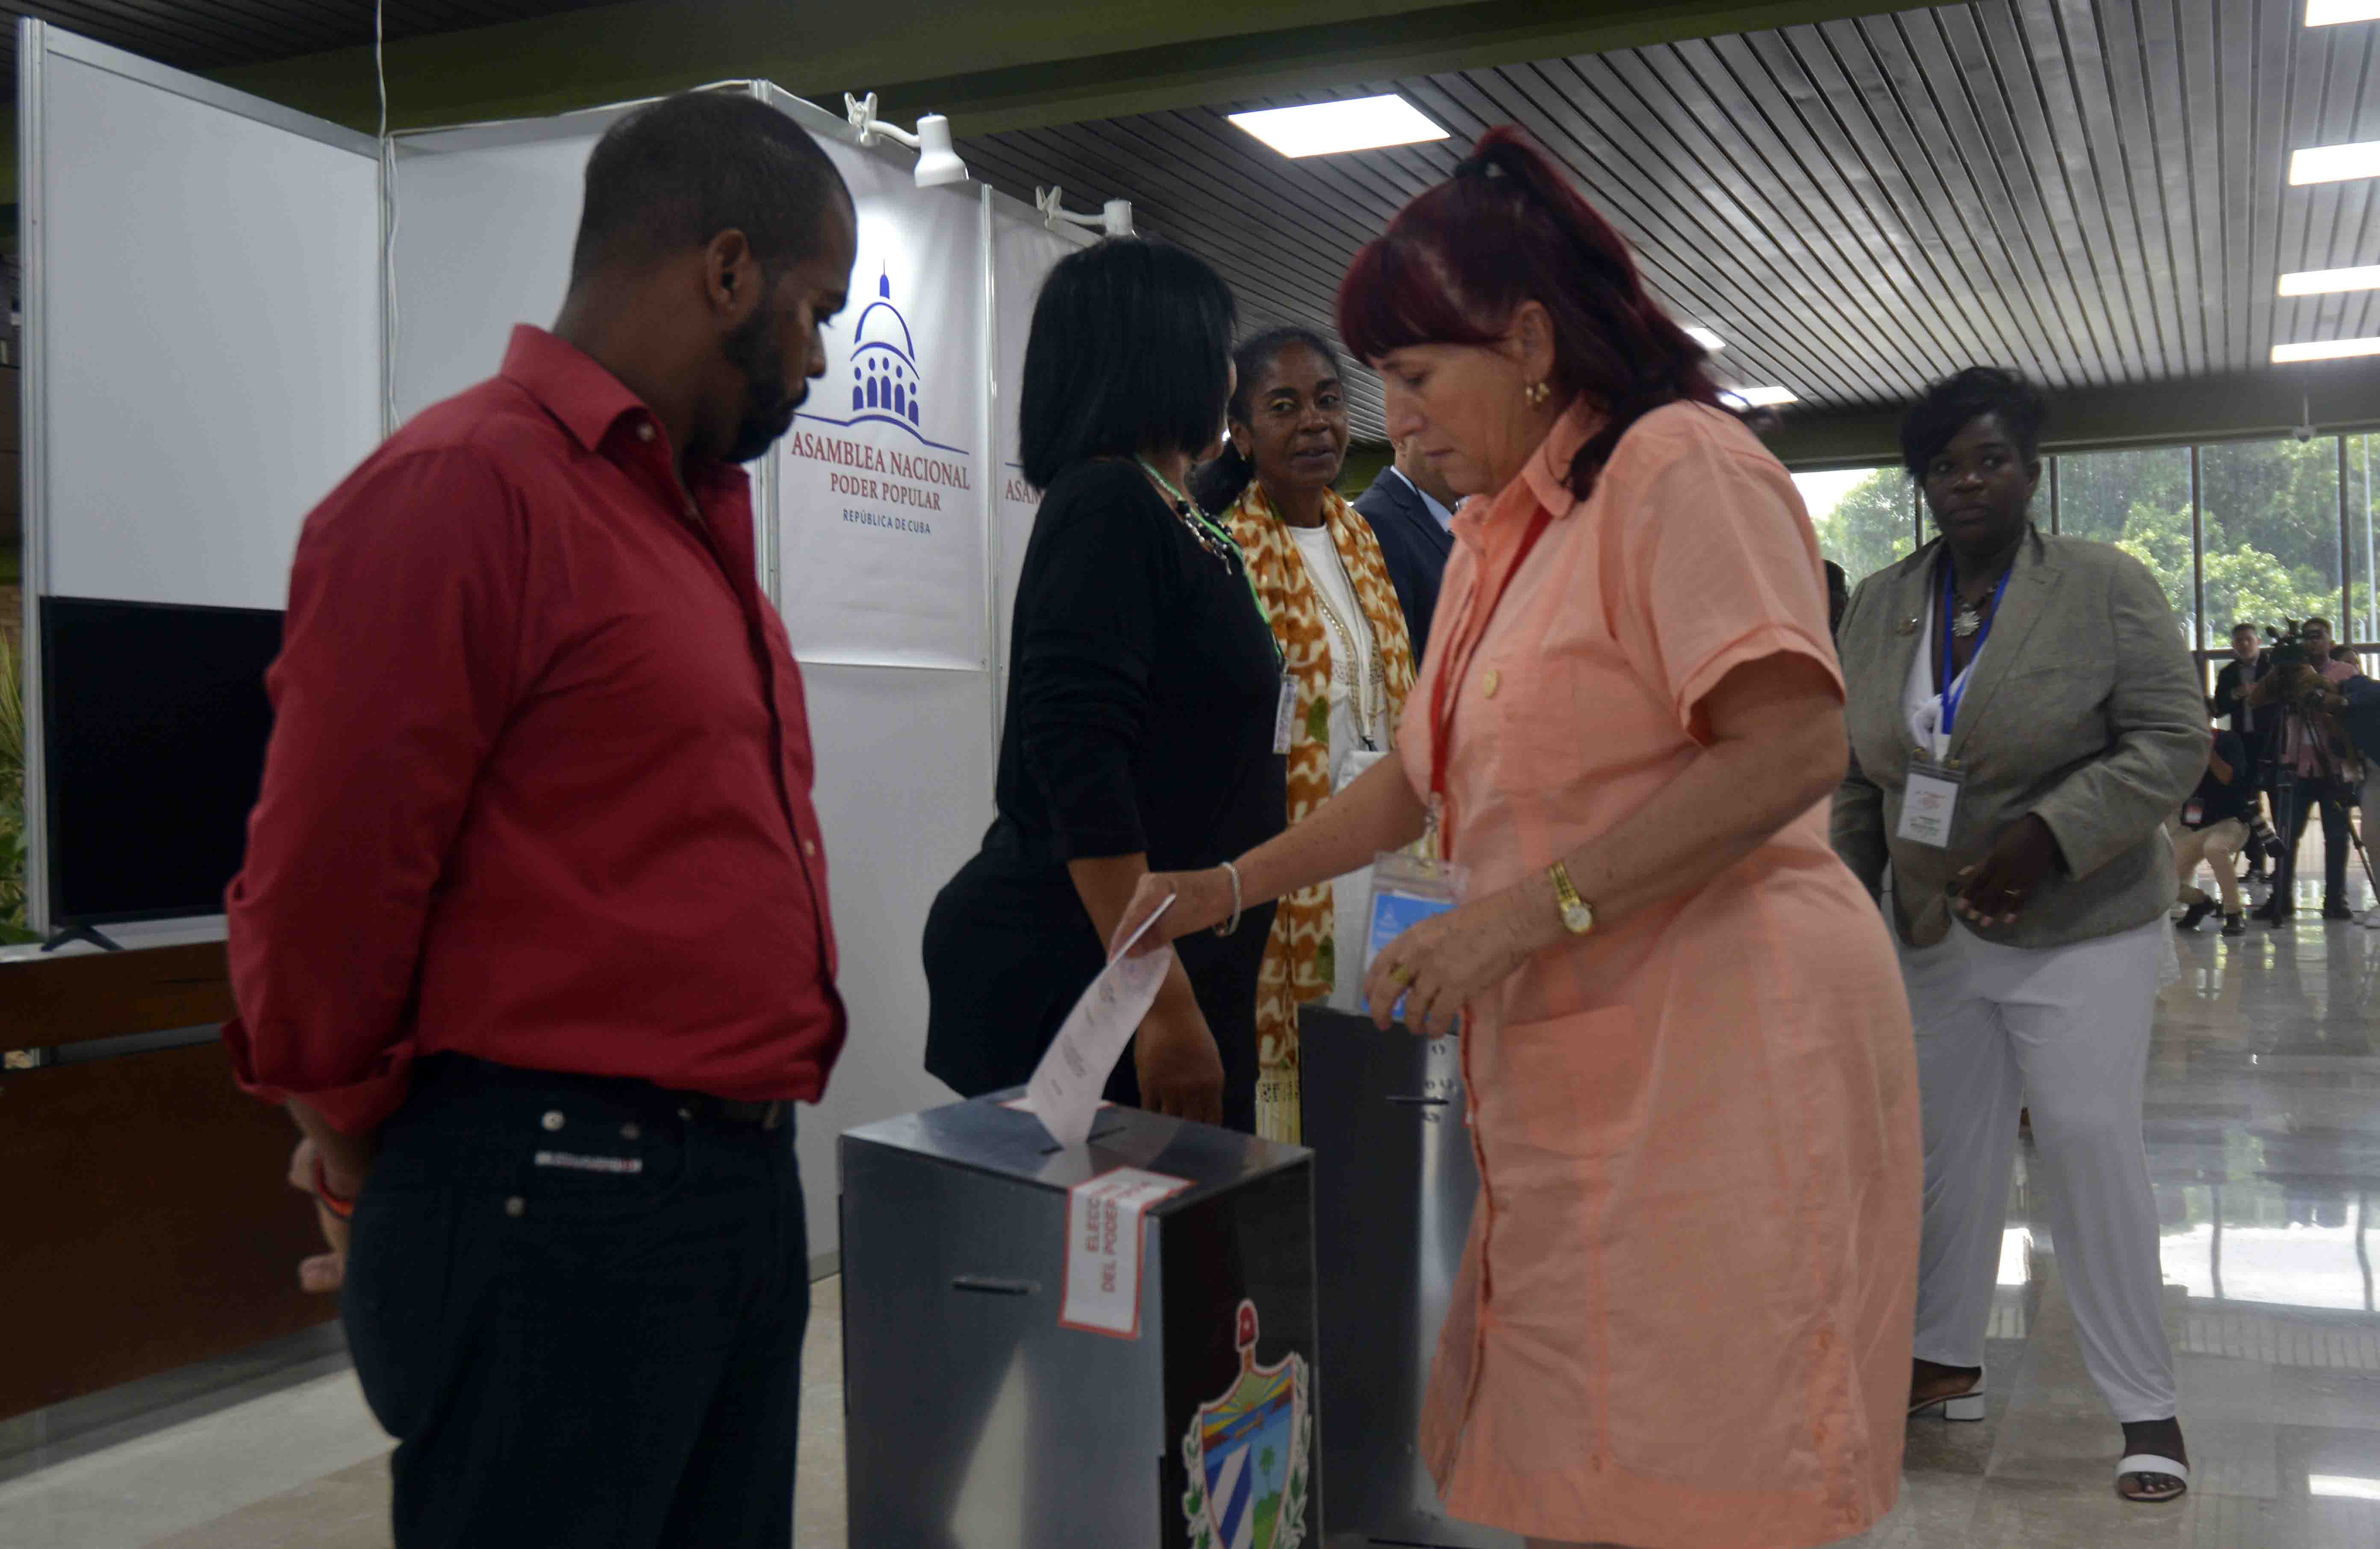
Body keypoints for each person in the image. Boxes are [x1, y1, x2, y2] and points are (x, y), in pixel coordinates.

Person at [1115, 127, 1920, 1549]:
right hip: (1574, 1066)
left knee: (1698, 1467)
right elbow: (1408, 785)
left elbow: (1792, 742)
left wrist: (1511, 916)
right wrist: (1218, 890)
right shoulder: (1504, 533)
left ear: (1530, 339)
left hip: (1719, 1049)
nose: (1392, 420)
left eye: (1416, 378)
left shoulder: (1678, 469)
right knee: (1570, 1453)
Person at [221, 95, 855, 1548]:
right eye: (815, 309)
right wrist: (362, 1156)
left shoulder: (679, 519)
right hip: (556, 1194)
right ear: (727, 270)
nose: (818, 356)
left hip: (725, 1192)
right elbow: (322, 884)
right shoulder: (464, 489)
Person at [1833, 366, 2207, 1505]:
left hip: (2079, 921)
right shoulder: (1884, 602)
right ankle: (1943, 1363)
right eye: (1943, 466)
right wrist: (1855, 898)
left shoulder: (2103, 586)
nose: (1966, 483)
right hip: (1932, 930)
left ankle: (2147, 1407)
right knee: (1947, 1153)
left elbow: (2169, 738)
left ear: (2032, 470)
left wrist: (2049, 836)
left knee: (2089, 1141)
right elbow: (1859, 773)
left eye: (1989, 460)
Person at [922, 239, 1285, 1133]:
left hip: (1164, 957)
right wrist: (1155, 996)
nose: (1229, 378)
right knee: (1119, 1264)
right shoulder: (1106, 505)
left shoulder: (1164, 504)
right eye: (1218, 349)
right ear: (1160, 357)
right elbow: (1079, 760)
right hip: (1094, 976)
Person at [1186, 326, 1419, 1142]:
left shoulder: (1359, 536)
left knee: (1372, 1091)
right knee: (1294, 1111)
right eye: (1283, 407)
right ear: (1240, 435)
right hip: (1285, 862)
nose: (1314, 423)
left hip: (1381, 853)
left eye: (1327, 399)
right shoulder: (1224, 549)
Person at [2246, 617, 2360, 924]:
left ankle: (2335, 900)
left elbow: (2351, 708)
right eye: (2306, 638)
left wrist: (2316, 688)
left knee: (2336, 836)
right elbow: (2255, 701)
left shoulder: (2345, 672)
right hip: (2295, 766)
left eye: (2317, 636)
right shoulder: (2287, 675)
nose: (2311, 642)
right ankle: (2280, 899)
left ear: (2330, 641)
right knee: (2286, 834)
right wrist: (2279, 671)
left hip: (2333, 766)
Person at [1354, 433, 1461, 654]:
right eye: (1449, 427)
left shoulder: (1468, 522)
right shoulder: (1373, 522)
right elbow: (1400, 667)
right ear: (1400, 439)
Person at [2173, 714, 2254, 936]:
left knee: (2215, 848)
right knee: (2164, 879)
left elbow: (2228, 777)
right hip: (2195, 824)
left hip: (2231, 821)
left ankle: (2234, 913)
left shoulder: (2228, 741)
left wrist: (2208, 749)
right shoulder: (2182, 745)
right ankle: (2201, 903)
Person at [2210, 622, 2275, 885]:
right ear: (2234, 645)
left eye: (2249, 640)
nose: (2245, 645)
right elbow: (2218, 709)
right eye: (2239, 641)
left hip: (2271, 743)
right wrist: (2237, 693)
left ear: (2258, 642)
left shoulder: (2273, 669)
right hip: (2242, 744)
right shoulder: (2227, 674)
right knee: (2248, 805)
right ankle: (2256, 864)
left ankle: (2281, 866)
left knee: (2279, 803)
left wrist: (2259, 692)